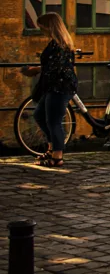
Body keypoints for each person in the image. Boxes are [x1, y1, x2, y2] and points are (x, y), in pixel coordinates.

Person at [20, 13, 78, 167]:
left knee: (54, 121)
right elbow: (53, 66)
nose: (41, 30)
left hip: (60, 87)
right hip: (53, 85)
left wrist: (35, 70)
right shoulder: (55, 43)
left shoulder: (60, 45)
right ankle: (52, 148)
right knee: (39, 115)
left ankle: (57, 157)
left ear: (50, 26)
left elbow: (55, 68)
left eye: (42, 27)